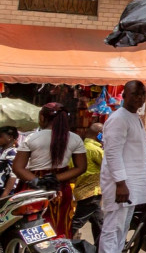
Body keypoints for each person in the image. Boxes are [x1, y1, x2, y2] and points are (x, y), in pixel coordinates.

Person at [13, 102, 86, 238]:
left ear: (42, 118)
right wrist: (55, 178)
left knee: (32, 229)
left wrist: (37, 181)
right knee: (59, 226)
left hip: (33, 187)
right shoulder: (75, 139)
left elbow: (18, 167)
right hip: (59, 187)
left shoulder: (32, 138)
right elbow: (81, 167)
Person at [98, 81, 146, 253]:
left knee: (122, 229)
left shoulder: (133, 117)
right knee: (112, 229)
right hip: (120, 186)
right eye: (135, 94)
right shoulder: (119, 118)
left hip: (130, 186)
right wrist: (120, 183)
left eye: (143, 94)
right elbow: (112, 153)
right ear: (125, 95)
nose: (140, 98)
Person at [71, 123, 105, 246]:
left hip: (83, 190)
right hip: (91, 192)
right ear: (99, 134)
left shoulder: (80, 147)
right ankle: (62, 241)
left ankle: (100, 248)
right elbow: (109, 167)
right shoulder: (95, 150)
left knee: (99, 222)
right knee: (77, 222)